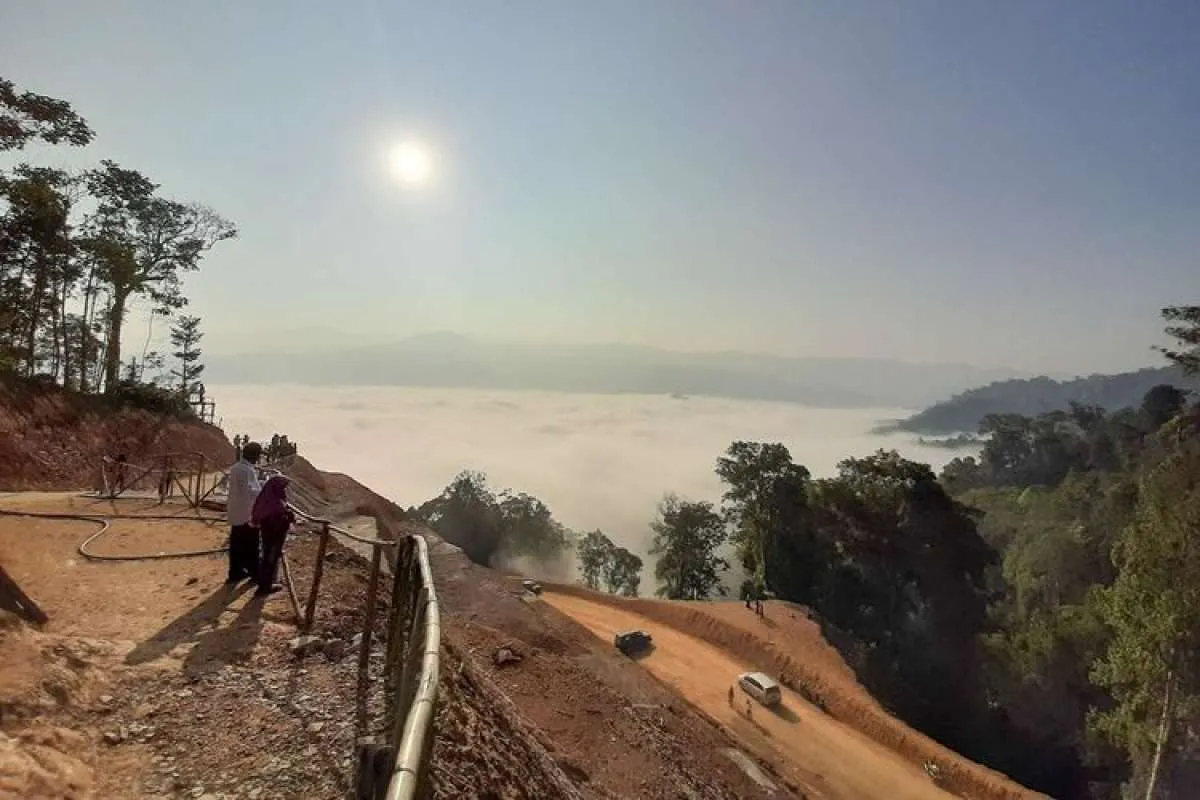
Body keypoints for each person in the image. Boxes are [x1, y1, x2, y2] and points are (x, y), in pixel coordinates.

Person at [225, 441, 263, 585]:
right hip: (247, 514)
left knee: (236, 545)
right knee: (252, 545)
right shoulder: (247, 471)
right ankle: (255, 574)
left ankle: (235, 572)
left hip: (236, 512)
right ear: (254, 456)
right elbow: (250, 492)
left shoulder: (236, 468)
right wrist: (262, 490)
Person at [252, 474, 295, 596]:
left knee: (267, 556)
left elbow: (258, 513)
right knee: (271, 558)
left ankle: (264, 583)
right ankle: (266, 586)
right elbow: (279, 516)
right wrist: (288, 516)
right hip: (274, 533)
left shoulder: (266, 497)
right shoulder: (275, 502)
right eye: (283, 487)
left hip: (267, 530)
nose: (284, 489)